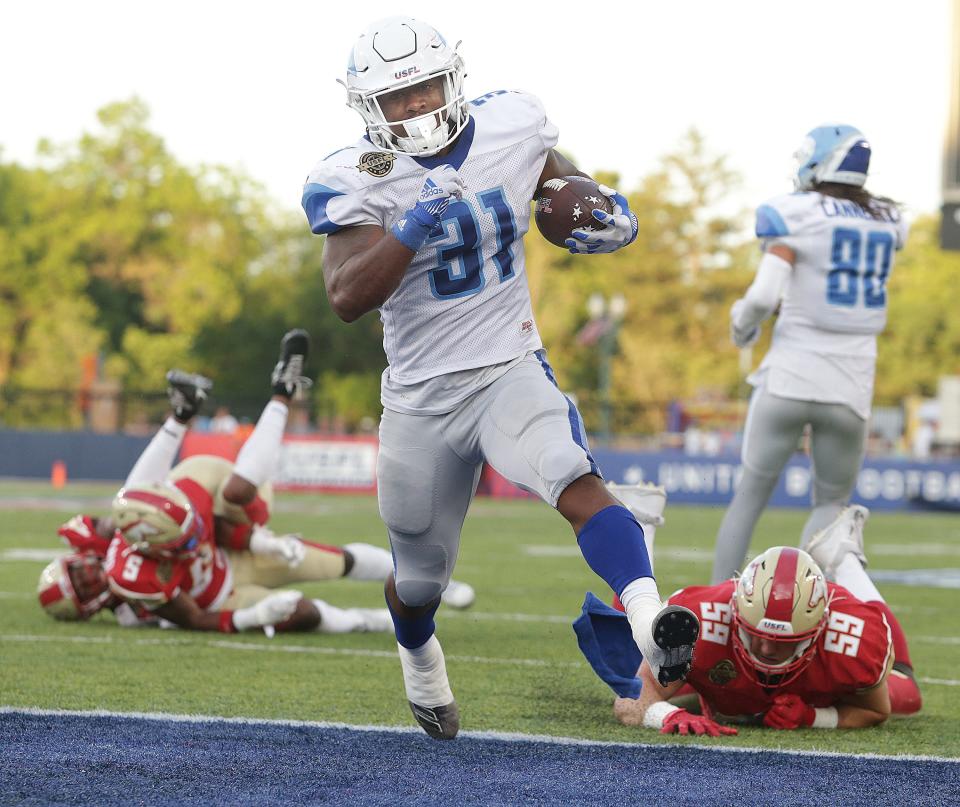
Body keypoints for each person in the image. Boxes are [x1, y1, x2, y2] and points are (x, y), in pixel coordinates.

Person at [302, 15, 698, 739]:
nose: (417, 106)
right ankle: (419, 655)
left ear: (450, 79)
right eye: (398, 98)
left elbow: (561, 184)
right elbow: (348, 297)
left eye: (424, 88)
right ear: (370, 109)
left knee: (569, 472)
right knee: (419, 578)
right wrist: (413, 222)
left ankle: (650, 620)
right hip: (421, 396)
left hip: (507, 363)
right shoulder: (355, 176)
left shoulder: (512, 123)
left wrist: (602, 211)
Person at [38, 332, 475, 633]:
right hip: (222, 583)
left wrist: (255, 541)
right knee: (304, 608)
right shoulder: (136, 595)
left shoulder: (111, 538)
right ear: (88, 608)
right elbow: (192, 618)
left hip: (208, 513)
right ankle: (369, 620)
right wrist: (251, 614)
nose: (90, 576)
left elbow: (141, 512)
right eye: (84, 588)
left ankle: (270, 394)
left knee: (227, 494)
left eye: (79, 572)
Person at [712, 125, 909, 584]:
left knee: (750, 496)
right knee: (830, 506)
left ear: (819, 161)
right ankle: (804, 616)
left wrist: (742, 325)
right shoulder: (888, 219)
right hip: (852, 385)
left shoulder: (796, 214)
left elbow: (763, 297)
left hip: (791, 375)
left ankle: (720, 609)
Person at [575, 506, 922, 736]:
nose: (767, 648)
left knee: (907, 695)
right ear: (737, 612)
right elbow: (631, 699)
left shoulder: (851, 635)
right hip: (723, 675)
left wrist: (815, 717)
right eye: (756, 635)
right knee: (627, 671)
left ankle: (843, 557)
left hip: (810, 681)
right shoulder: (706, 618)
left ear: (818, 631)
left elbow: (875, 712)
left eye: (785, 642)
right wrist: (666, 717)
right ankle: (640, 522)